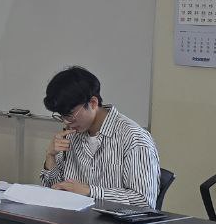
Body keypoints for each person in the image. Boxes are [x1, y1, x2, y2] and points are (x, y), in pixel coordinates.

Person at [40, 66, 160, 207]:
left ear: (93, 103)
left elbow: (143, 201)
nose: (66, 122)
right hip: (73, 221)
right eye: (61, 116)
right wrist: (50, 156)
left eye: (70, 115)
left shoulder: (134, 138)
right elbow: (55, 190)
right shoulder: (71, 134)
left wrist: (90, 191)